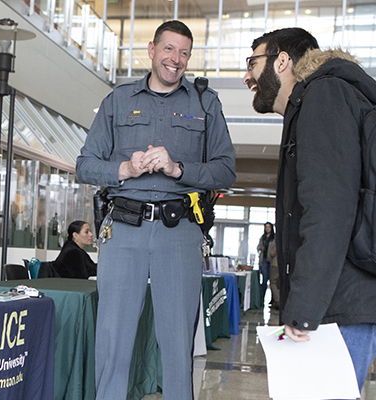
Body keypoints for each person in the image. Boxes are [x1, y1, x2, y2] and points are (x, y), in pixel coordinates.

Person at [76, 20, 236, 400]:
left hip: (178, 231)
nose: (175, 60)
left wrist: (178, 168)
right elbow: (84, 165)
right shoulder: (118, 100)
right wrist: (125, 169)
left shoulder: (204, 102)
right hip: (123, 229)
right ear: (151, 50)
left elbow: (226, 169)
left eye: (184, 53)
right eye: (169, 49)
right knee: (113, 339)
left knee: (177, 341)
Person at [243, 27, 376, 392]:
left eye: (252, 62)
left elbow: (328, 209)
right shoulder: (325, 98)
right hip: (342, 299)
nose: (247, 76)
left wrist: (303, 309)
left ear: (282, 60)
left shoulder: (323, 95)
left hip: (337, 304)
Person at [256, 222, 274, 302]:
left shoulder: (274, 237)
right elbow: (258, 247)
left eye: (269, 227)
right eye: (266, 227)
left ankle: (273, 300)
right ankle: (261, 299)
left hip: (272, 260)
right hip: (264, 259)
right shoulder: (262, 237)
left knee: (273, 280)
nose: (267, 229)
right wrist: (260, 248)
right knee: (264, 279)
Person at [267, 237, 279, 310]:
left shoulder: (277, 240)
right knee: (278, 283)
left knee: (273, 282)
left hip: (275, 264)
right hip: (282, 265)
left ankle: (277, 300)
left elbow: (272, 253)